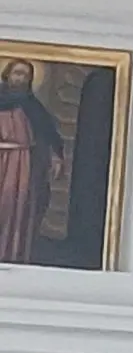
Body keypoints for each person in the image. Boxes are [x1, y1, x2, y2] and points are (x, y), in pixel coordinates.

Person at [0, 59, 64, 264]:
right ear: (7, 75)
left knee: (18, 206)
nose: (20, 78)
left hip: (23, 164)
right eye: (17, 73)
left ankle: (13, 253)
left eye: (25, 75)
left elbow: (48, 133)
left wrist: (56, 156)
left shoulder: (32, 106)